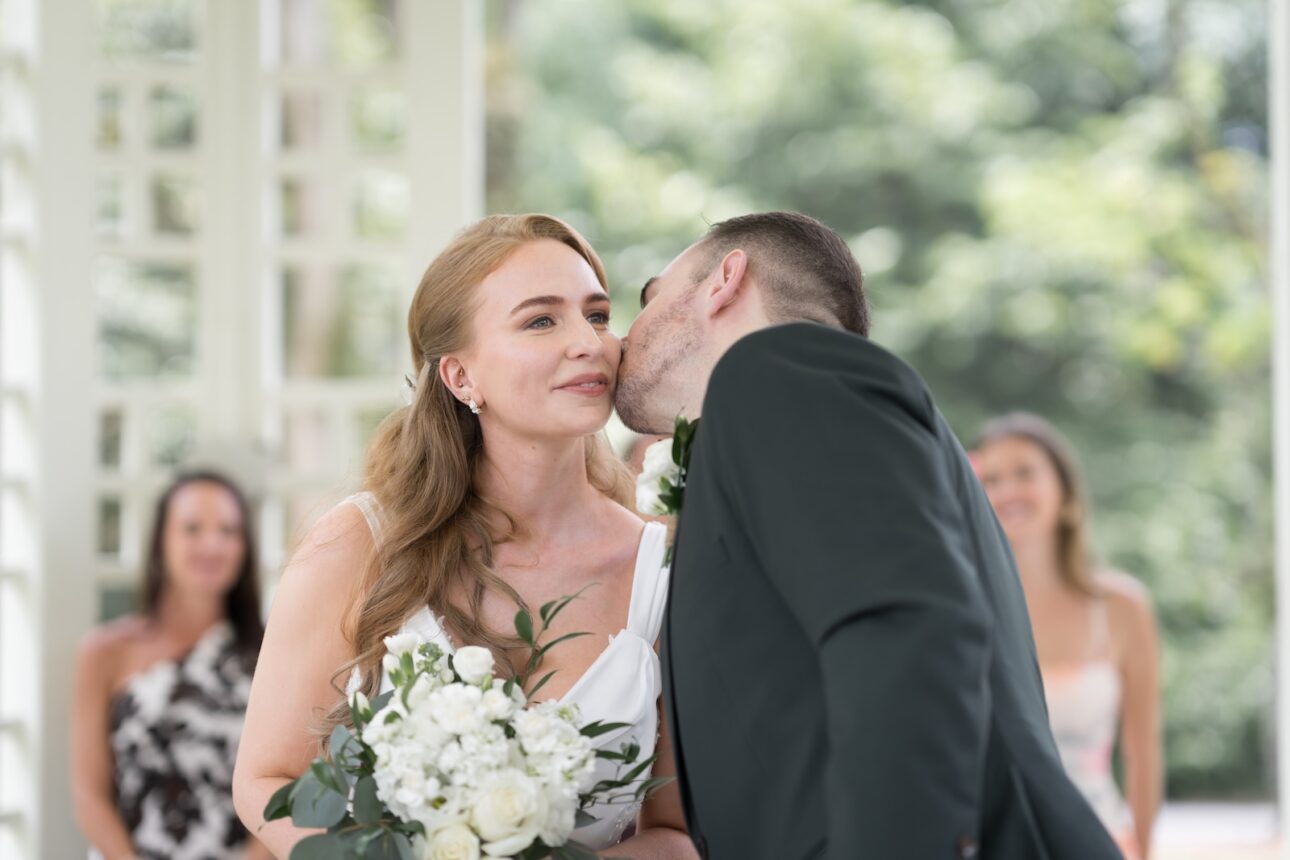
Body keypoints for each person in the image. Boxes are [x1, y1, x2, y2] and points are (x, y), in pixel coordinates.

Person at [614, 210, 1125, 859]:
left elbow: (908, 628)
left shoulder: (776, 369)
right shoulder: (807, 416)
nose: (624, 334)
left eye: (649, 296)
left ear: (724, 279)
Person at [233, 214, 695, 858]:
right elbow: (265, 779)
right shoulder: (361, 543)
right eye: (541, 320)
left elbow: (674, 837)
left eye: (596, 315)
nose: (589, 342)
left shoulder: (660, 567)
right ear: (459, 377)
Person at [972, 412, 1162, 860]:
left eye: (1025, 473)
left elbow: (1144, 751)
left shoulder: (1121, 607)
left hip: (1101, 839)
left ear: (1066, 492)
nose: (1008, 491)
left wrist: (1145, 850)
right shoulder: (965, 608)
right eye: (992, 479)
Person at [72, 471, 270, 860]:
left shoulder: (269, 654)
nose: (212, 545)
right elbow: (89, 795)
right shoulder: (104, 652)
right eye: (192, 528)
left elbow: (287, 786)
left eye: (229, 531)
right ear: (162, 540)